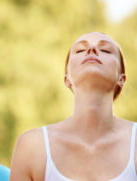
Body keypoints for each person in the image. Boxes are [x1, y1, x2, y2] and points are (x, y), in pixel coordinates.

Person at [9, 32, 137, 181]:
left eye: (105, 50)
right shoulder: (32, 146)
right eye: (80, 50)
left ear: (121, 78)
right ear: (66, 79)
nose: (92, 50)